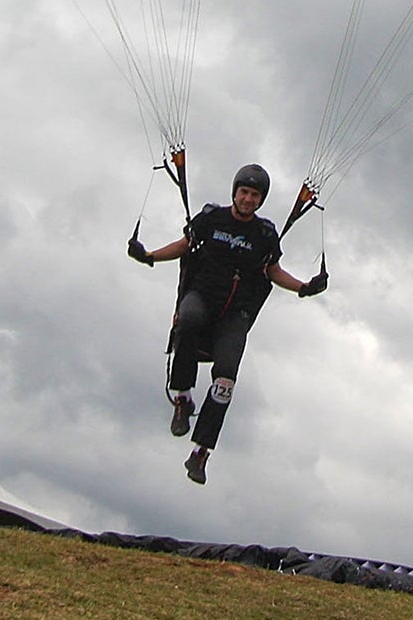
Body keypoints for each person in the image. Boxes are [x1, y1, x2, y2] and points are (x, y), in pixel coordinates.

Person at [128, 162, 328, 485]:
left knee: (225, 381)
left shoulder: (264, 235)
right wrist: (149, 255)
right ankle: (182, 398)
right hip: (202, 296)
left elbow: (273, 272)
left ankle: (201, 452)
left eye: (255, 195)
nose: (248, 199)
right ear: (235, 192)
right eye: (244, 192)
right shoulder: (211, 218)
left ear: (261, 200)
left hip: (235, 314)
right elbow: (184, 246)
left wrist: (304, 287)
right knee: (188, 319)